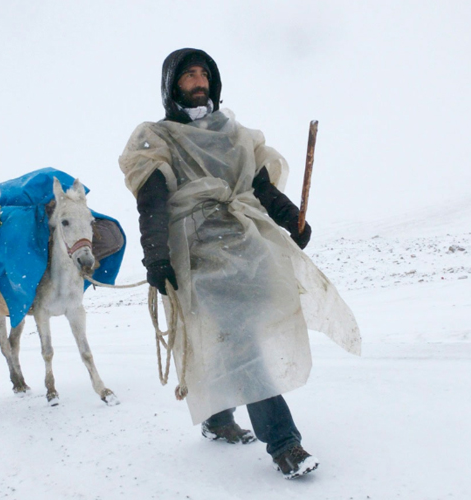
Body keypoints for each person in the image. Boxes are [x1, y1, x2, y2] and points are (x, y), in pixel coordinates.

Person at [119, 48, 361, 479]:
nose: (198, 82)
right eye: (188, 75)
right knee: (244, 345)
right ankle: (285, 443)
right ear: (171, 86)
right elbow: (151, 198)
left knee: (235, 336)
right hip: (199, 255)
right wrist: (155, 256)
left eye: (203, 74)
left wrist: (290, 219)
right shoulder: (158, 136)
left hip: (246, 247)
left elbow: (259, 185)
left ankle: (216, 418)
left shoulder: (234, 134)